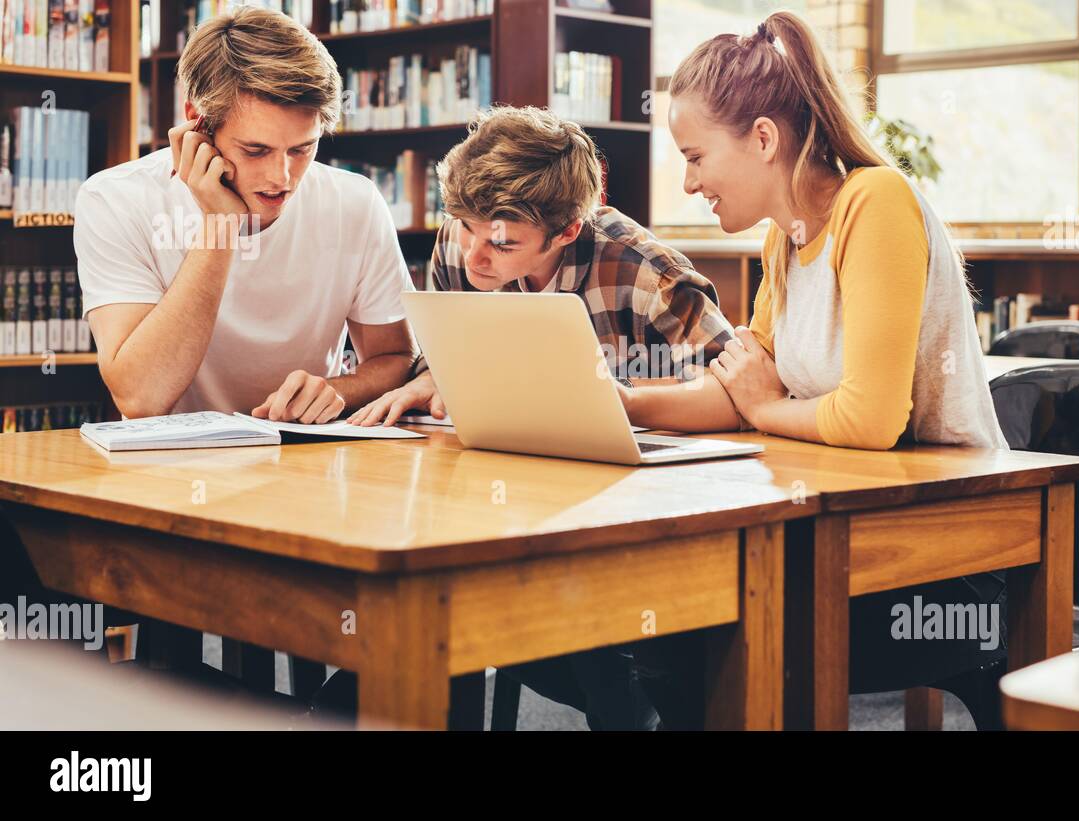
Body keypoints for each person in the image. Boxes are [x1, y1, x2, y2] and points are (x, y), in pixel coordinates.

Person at [621, 11, 1012, 728]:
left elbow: (868, 418)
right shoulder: (785, 237)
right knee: (670, 630)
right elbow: (735, 393)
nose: (686, 182)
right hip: (849, 528)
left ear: (763, 139)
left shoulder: (875, 203)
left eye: (695, 155)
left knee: (701, 635)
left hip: (949, 550)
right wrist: (619, 403)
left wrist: (767, 407)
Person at [332, 105, 737, 730]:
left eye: (502, 243)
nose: (472, 256)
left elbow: (733, 389)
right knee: (428, 588)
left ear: (567, 232)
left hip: (628, 513)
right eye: (462, 226)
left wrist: (615, 394)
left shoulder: (642, 271)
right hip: (500, 499)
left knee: (571, 630)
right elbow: (449, 348)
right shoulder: (464, 240)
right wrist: (432, 376)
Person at [74, 7, 417, 423]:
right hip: (168, 469)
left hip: (307, 457)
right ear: (197, 123)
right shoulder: (115, 199)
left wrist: (337, 391)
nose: (282, 178)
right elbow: (141, 397)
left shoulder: (355, 201)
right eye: (256, 151)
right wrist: (219, 226)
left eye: (301, 149)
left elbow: (396, 358)